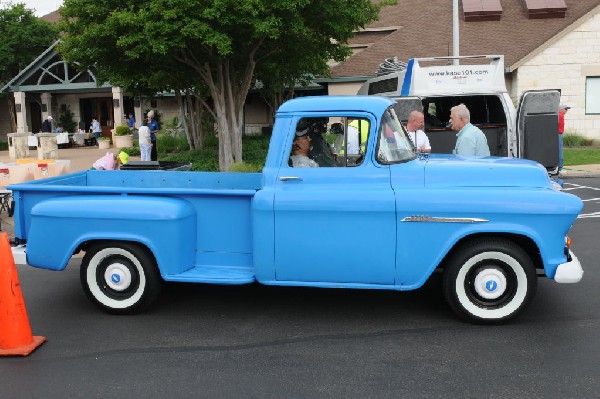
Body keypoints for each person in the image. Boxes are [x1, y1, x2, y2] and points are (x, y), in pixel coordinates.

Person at [558, 103, 570, 174]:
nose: (567, 110)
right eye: (566, 109)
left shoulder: (560, 115)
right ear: (561, 109)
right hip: (558, 134)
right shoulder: (560, 115)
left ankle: (559, 168)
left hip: (558, 134)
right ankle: (560, 168)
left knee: (559, 151)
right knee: (560, 151)